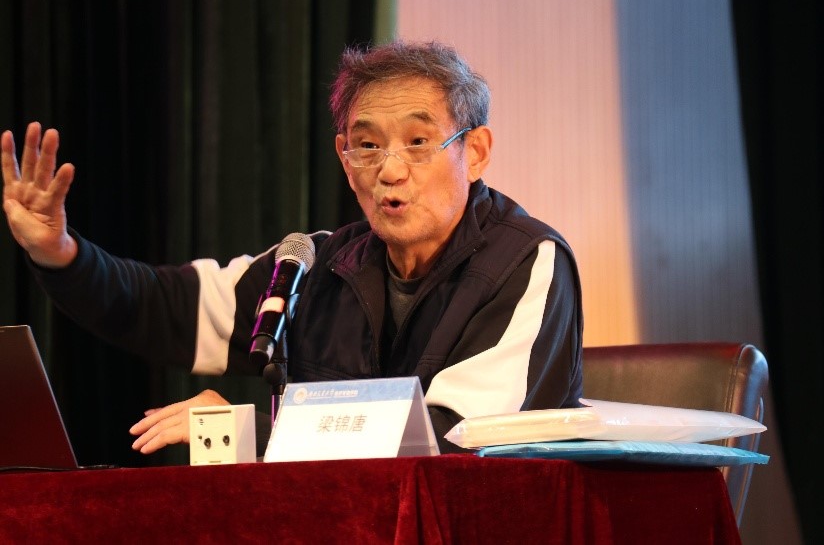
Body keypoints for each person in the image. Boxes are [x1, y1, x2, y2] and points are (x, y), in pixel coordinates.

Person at [1, 40, 583, 456]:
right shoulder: (314, 267)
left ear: (475, 152)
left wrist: (247, 433)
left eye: (417, 141)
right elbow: (164, 307)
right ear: (344, 158)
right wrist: (61, 253)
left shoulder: (528, 263)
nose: (390, 169)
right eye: (367, 145)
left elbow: (452, 442)